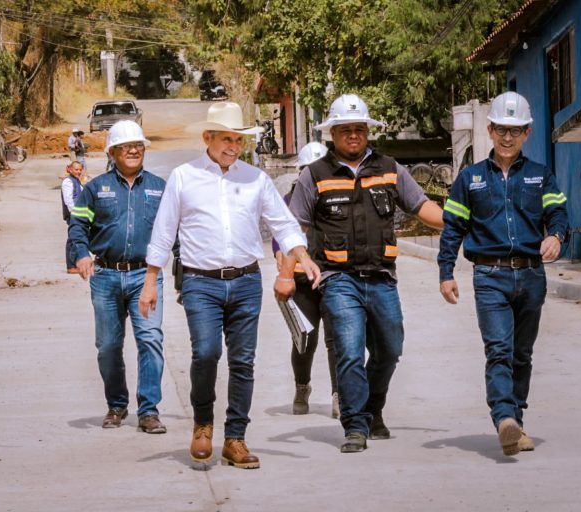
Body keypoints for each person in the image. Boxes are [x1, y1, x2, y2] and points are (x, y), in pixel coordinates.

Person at [139, 101, 320, 469]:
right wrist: (150, 281)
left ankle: (235, 438)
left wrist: (301, 254)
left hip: (246, 282)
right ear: (208, 137)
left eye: (239, 140)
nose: (234, 147)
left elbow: (283, 223)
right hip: (200, 283)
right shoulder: (184, 177)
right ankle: (203, 425)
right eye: (227, 139)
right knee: (206, 353)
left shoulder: (255, 179)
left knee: (242, 362)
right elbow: (163, 231)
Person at [285, 94, 444, 453]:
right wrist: (288, 270)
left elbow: (421, 206)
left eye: (359, 129)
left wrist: (459, 222)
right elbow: (293, 227)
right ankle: (355, 425)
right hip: (338, 280)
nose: (353, 135)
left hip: (382, 277)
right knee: (350, 352)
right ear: (332, 134)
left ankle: (373, 406)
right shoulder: (315, 175)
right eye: (346, 130)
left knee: (390, 348)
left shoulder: (389, 168)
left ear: (368, 131)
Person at [438, 92, 568, 456]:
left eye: (515, 130)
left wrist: (556, 236)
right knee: (499, 350)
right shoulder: (470, 178)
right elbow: (452, 228)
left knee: (521, 354)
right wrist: (445, 272)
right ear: (490, 131)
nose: (507, 137)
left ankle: (516, 423)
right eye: (501, 130)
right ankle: (504, 418)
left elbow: (558, 214)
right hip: (489, 277)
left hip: (531, 277)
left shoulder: (541, 176)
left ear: (527, 133)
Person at [68, 120, 168, 434]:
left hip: (145, 276)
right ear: (112, 152)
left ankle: (149, 411)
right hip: (106, 276)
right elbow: (77, 225)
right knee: (108, 346)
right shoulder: (95, 189)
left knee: (150, 340)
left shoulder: (159, 187)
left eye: (138, 145)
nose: (134, 151)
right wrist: (81, 254)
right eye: (126, 147)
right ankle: (117, 405)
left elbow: (174, 230)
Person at [272, 142, 339, 418]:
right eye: (307, 170)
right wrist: (282, 262)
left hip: (333, 277)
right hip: (301, 280)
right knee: (304, 339)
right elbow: (279, 236)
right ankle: (302, 386)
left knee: (337, 339)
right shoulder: (289, 200)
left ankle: (338, 394)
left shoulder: (336, 195)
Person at [61, 161, 85, 274]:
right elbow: (68, 200)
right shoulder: (68, 182)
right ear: (70, 169)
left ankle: (78, 263)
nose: (78, 172)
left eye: (80, 169)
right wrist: (75, 214)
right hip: (74, 214)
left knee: (79, 237)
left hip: (80, 213)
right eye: (76, 169)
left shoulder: (77, 181)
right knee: (73, 239)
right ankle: (71, 266)